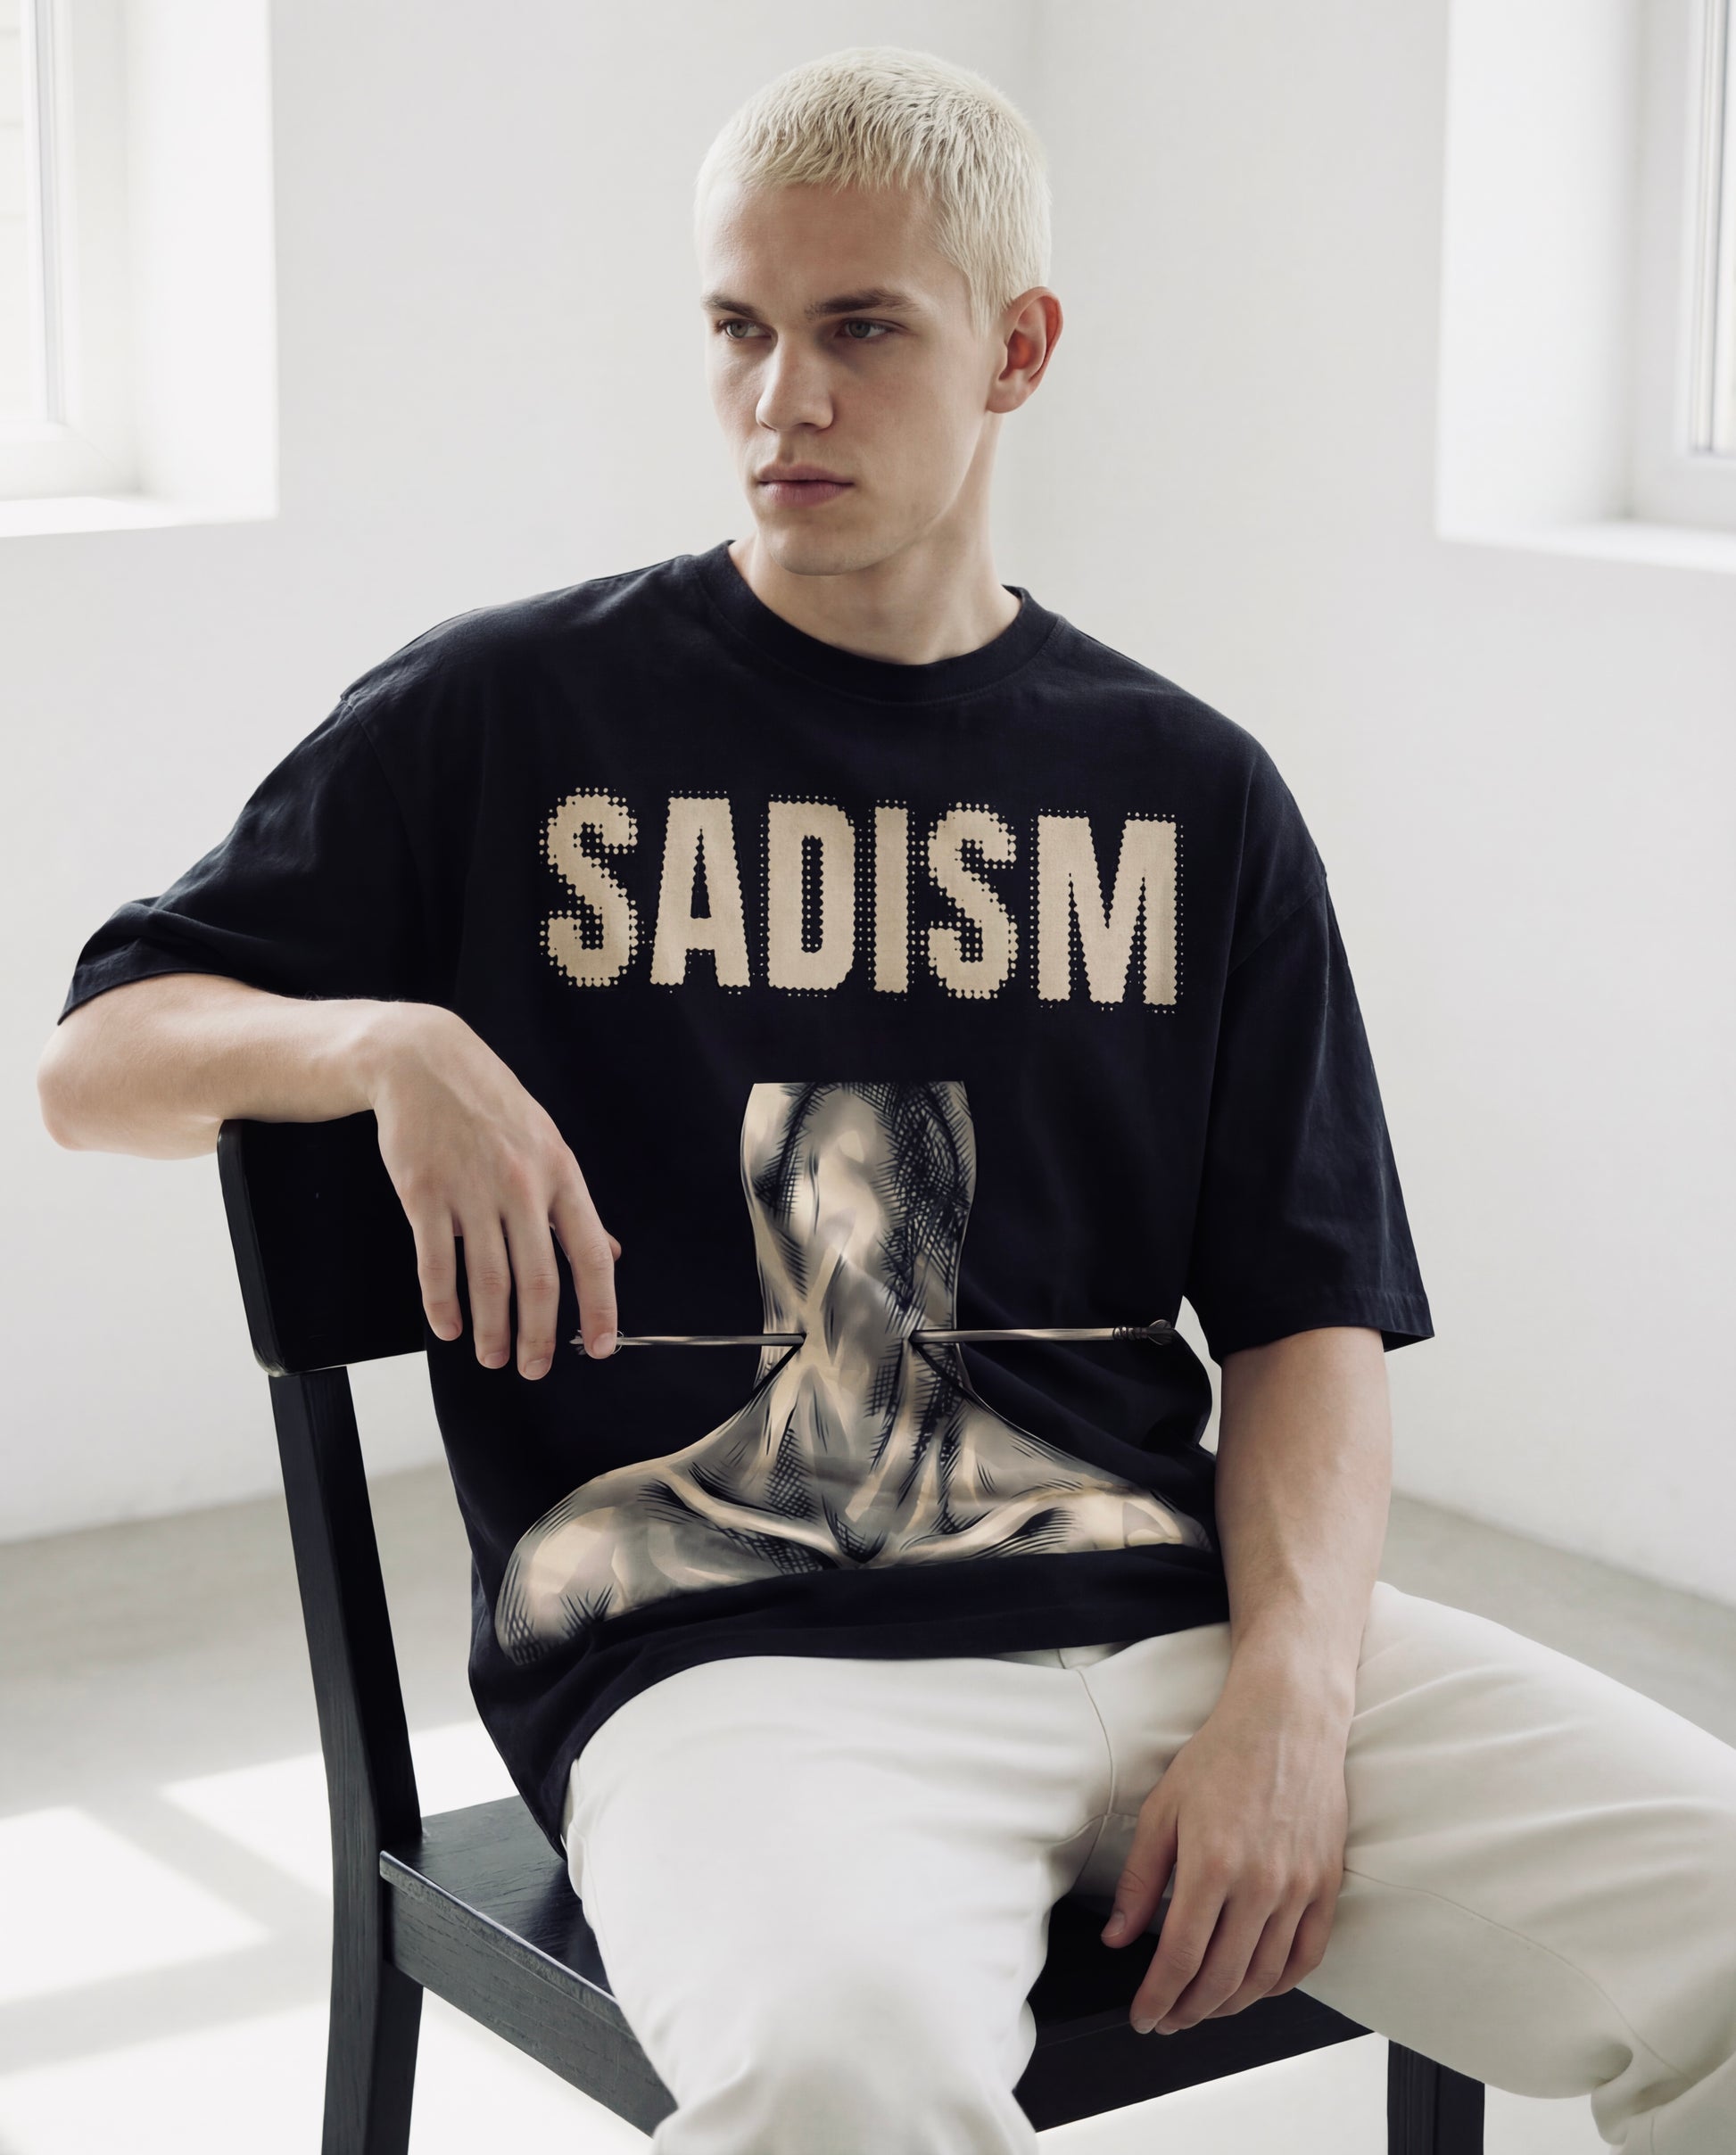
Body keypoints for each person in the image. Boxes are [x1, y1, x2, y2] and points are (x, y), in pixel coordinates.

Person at [37, 42, 1735, 2155]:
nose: (784, 401)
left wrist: (1294, 1702)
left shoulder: (1191, 790)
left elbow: (1308, 1315)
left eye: (859, 330)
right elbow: (95, 1064)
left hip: (1176, 1611)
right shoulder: (509, 715)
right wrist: (384, 1042)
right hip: (733, 1667)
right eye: (737, 328)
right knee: (838, 2075)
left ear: (1015, 349)